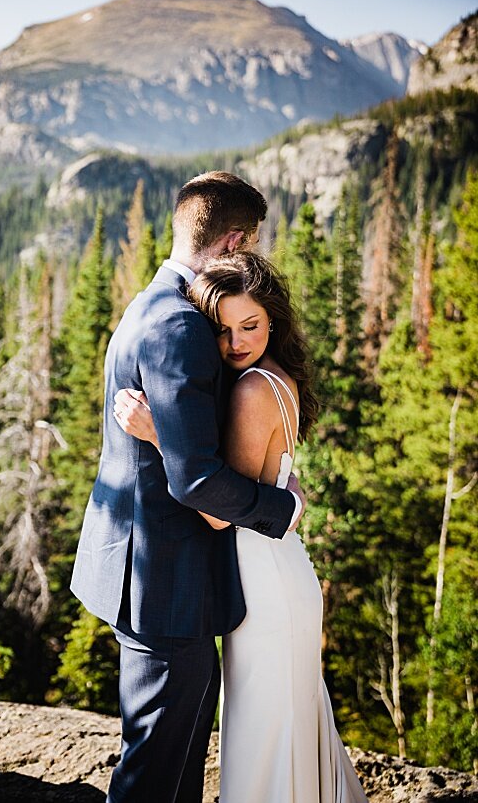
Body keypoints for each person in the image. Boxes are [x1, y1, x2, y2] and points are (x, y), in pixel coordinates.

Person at [69, 170, 306, 803]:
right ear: (233, 243)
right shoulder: (180, 325)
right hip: (167, 581)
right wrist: (281, 508)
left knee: (163, 757)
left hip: (144, 568)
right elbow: (197, 478)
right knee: (159, 771)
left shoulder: (149, 302)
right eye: (251, 244)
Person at [114, 251, 366, 802]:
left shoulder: (253, 390)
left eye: (249, 325)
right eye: (222, 330)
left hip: (265, 586)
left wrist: (161, 436)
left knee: (265, 741)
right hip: (274, 570)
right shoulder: (270, 377)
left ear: (273, 318)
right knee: (284, 735)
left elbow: (214, 509)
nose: (235, 343)